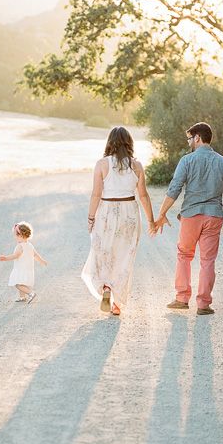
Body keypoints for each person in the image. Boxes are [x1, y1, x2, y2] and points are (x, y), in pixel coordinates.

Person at [153, 122, 223, 315]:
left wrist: (162, 213)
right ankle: (204, 304)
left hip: (191, 215)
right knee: (208, 260)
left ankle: (182, 298)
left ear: (197, 137)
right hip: (214, 216)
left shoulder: (187, 161)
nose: (189, 142)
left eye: (190, 138)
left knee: (184, 255)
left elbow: (174, 189)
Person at [82, 126, 155, 316]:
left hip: (106, 212)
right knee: (124, 257)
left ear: (109, 142)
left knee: (103, 253)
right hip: (129, 213)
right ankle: (117, 304)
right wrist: (151, 221)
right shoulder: (136, 165)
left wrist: (91, 217)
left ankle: (106, 287)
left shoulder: (102, 164)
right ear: (129, 143)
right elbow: (144, 196)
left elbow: (96, 194)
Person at [0, 221, 47, 303]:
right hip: (28, 269)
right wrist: (42, 261)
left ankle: (31, 293)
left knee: (18, 284)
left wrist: (6, 258)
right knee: (22, 282)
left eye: (15, 235)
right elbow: (35, 255)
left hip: (21, 269)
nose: (15, 237)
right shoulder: (30, 245)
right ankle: (22, 297)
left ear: (20, 235)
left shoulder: (20, 246)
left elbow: (15, 256)